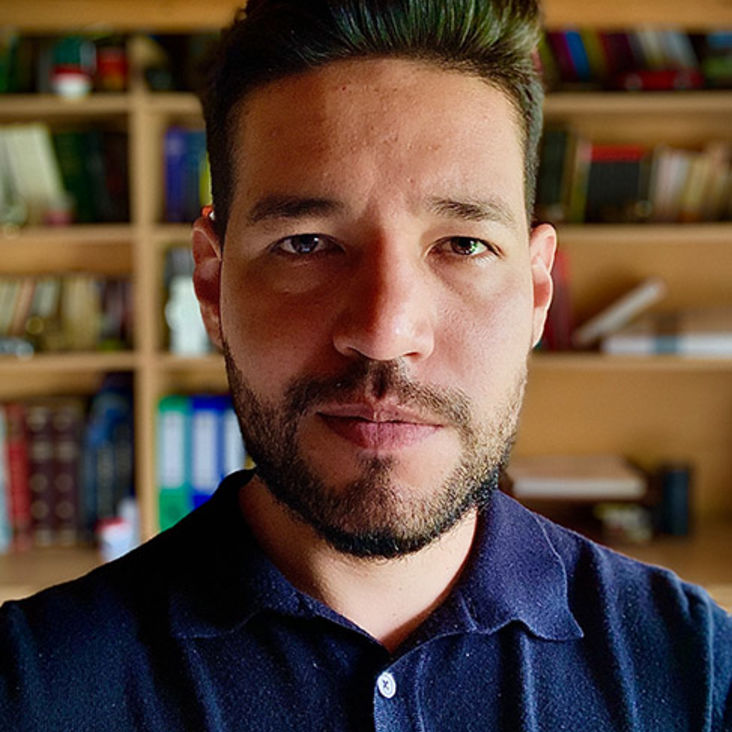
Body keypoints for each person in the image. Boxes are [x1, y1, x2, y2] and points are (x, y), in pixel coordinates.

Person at [1, 0, 730, 729]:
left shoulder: (700, 675)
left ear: (537, 292)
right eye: (306, 244)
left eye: (463, 245)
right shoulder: (28, 691)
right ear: (212, 286)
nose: (385, 333)